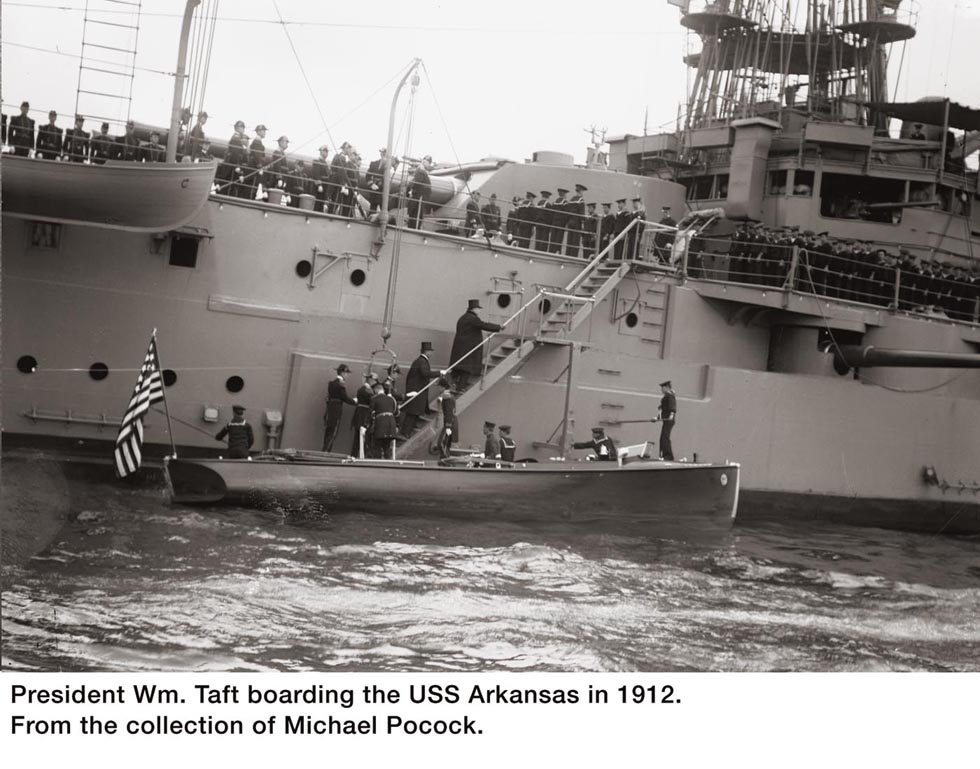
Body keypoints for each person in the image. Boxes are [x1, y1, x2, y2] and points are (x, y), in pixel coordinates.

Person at [449, 299, 503, 392]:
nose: (479, 311)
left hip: (460, 347)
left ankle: (451, 383)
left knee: (459, 367)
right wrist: (498, 327)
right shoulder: (472, 319)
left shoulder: (462, 318)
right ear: (474, 309)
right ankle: (460, 387)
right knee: (466, 367)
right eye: (478, 308)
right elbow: (484, 325)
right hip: (468, 348)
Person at [401, 341, 439, 437]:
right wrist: (439, 373)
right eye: (430, 351)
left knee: (413, 413)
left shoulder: (420, 361)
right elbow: (425, 373)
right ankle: (405, 432)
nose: (431, 353)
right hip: (417, 392)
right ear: (426, 352)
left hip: (416, 391)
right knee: (412, 414)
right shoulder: (422, 361)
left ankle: (407, 431)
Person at [322, 363, 355, 452]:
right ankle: (326, 453)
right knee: (333, 433)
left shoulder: (331, 383)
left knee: (328, 432)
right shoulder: (341, 384)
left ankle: (324, 451)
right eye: (347, 373)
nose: (347, 375)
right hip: (336, 412)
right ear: (343, 373)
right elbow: (344, 398)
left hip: (329, 410)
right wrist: (355, 401)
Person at [369, 379, 399, 459]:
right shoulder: (392, 399)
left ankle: (377, 465)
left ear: (376, 390)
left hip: (380, 424)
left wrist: (366, 425)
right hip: (391, 424)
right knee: (387, 447)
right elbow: (396, 412)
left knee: (377, 447)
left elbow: (370, 413)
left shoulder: (374, 399)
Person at [350, 371, 378, 457]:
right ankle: (359, 456)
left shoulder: (363, 389)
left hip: (359, 415)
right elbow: (373, 400)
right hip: (363, 416)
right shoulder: (367, 390)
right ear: (371, 380)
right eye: (375, 380)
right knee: (362, 438)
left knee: (358, 438)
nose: (376, 382)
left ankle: (355, 455)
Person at [221, 120, 249, 198]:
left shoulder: (236, 138)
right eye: (242, 127)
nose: (243, 129)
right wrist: (237, 167)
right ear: (237, 128)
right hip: (232, 167)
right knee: (231, 186)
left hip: (232, 166)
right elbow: (235, 154)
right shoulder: (236, 139)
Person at [365, 147, 396, 214]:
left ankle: (383, 221)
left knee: (384, 207)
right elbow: (368, 176)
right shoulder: (374, 164)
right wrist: (371, 184)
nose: (383, 154)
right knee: (373, 206)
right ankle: (370, 219)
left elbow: (395, 167)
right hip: (375, 188)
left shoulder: (390, 165)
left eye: (384, 153)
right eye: (382, 152)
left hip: (384, 189)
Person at [407, 154, 433, 229]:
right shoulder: (421, 171)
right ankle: (414, 228)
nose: (425, 162)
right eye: (424, 161)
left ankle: (414, 227)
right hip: (419, 196)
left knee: (416, 214)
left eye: (427, 161)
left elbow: (416, 182)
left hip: (420, 196)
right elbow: (417, 181)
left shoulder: (421, 171)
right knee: (417, 214)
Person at [436, 377, 458, 459]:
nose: (438, 388)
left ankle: (445, 459)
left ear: (443, 387)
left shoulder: (447, 397)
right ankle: (445, 458)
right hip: (451, 421)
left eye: (439, 386)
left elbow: (449, 412)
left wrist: (448, 426)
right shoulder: (448, 395)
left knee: (441, 443)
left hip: (449, 422)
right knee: (446, 443)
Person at [655, 379, 676, 461]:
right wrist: (657, 418)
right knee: (663, 437)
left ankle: (668, 456)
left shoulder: (669, 396)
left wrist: (671, 415)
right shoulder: (667, 396)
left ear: (667, 388)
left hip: (669, 420)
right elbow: (663, 409)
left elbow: (672, 407)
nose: (661, 390)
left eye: (662, 388)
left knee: (665, 437)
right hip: (666, 419)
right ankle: (663, 455)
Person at [565, 184, 587, 257]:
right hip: (577, 223)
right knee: (575, 241)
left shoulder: (571, 199)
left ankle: (567, 255)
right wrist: (583, 223)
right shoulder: (581, 200)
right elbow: (581, 214)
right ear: (581, 191)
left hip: (570, 222)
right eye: (583, 191)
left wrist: (568, 222)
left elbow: (567, 211)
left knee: (569, 240)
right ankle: (573, 256)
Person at [249, 124, 268, 199]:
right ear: (259, 131)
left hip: (255, 167)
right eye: (263, 131)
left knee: (254, 186)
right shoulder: (257, 141)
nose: (265, 133)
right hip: (254, 167)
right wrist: (259, 166)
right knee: (253, 185)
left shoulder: (258, 141)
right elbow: (257, 155)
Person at [311, 145, 332, 213]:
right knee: (317, 203)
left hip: (325, 185)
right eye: (325, 151)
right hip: (319, 186)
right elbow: (316, 174)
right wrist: (319, 184)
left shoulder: (325, 163)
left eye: (327, 151)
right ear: (321, 151)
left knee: (321, 204)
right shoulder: (317, 161)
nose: (326, 153)